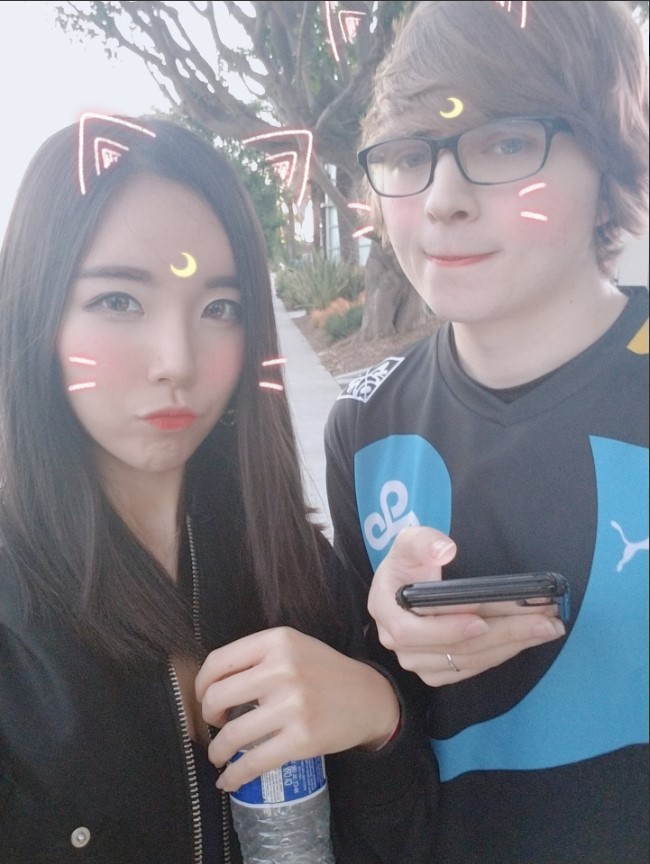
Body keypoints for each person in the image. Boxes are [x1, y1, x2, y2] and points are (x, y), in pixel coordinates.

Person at [0, 114, 437, 863]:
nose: (177, 359)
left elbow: (407, 838)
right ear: (36, 315)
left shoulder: (295, 566)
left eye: (219, 309)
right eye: (118, 301)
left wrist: (379, 718)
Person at [325, 1, 649, 862]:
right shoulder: (364, 426)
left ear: (607, 153)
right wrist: (384, 651)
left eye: (504, 143)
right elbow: (380, 752)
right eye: (408, 155)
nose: (443, 201)